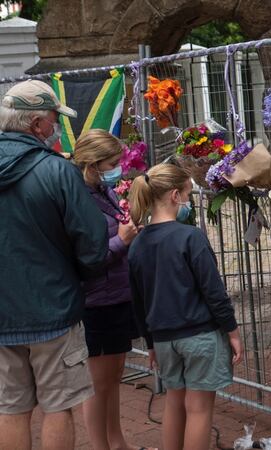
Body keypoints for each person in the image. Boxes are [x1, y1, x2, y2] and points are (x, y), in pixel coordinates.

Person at [0, 80, 108, 450]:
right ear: (35, 125)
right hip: (53, 309)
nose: (55, 128)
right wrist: (81, 278)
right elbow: (92, 242)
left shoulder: (52, 168)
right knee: (58, 406)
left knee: (11, 408)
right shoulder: (57, 171)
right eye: (52, 120)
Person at [127, 163, 243, 450]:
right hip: (199, 334)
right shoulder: (190, 237)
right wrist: (232, 331)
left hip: (164, 338)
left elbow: (138, 300)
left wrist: (150, 342)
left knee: (174, 402)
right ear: (175, 196)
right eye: (189, 195)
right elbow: (213, 291)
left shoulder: (138, 244)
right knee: (199, 408)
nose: (189, 202)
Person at [72, 129, 153, 450]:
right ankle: (100, 445)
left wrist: (130, 227)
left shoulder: (101, 191)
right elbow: (85, 258)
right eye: (111, 163)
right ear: (92, 164)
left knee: (114, 378)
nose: (117, 168)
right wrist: (122, 240)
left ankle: (117, 440)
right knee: (98, 385)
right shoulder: (78, 199)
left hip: (117, 296)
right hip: (96, 303)